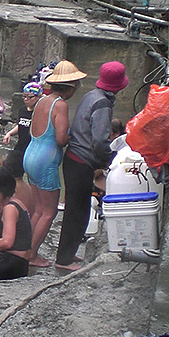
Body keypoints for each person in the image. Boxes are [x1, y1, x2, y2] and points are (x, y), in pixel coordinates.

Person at [55, 61, 128, 271]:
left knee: (78, 209)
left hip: (74, 158)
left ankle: (67, 254)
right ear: (119, 86)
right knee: (77, 212)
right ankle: (64, 259)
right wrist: (111, 157)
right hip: (82, 160)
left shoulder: (91, 95)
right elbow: (99, 141)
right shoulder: (103, 104)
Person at [22, 60, 86, 267]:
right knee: (48, 213)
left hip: (30, 154)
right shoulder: (60, 104)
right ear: (71, 86)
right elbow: (60, 139)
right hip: (46, 159)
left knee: (39, 210)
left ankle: (26, 250)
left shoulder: (41, 101)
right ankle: (31, 255)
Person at [3, 82, 43, 157]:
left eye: (30, 97)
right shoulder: (23, 109)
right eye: (24, 96)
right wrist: (9, 133)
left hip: (33, 149)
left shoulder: (40, 112)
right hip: (20, 145)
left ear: (39, 97)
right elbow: (21, 124)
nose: (26, 99)